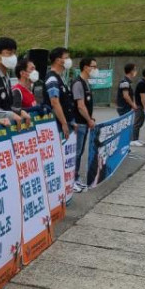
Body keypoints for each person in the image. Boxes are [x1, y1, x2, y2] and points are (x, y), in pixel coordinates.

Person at [71, 57, 97, 191]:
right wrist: (88, 120)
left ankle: (75, 177)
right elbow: (80, 106)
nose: (95, 69)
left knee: (80, 152)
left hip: (84, 123)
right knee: (76, 152)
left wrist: (90, 119)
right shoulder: (78, 83)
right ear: (86, 67)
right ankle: (72, 180)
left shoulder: (86, 83)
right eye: (93, 66)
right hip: (79, 123)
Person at [44, 47, 75, 139]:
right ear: (58, 60)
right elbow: (55, 102)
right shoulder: (52, 79)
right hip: (59, 124)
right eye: (67, 57)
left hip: (67, 121)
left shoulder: (60, 77)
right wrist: (64, 123)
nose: (69, 60)